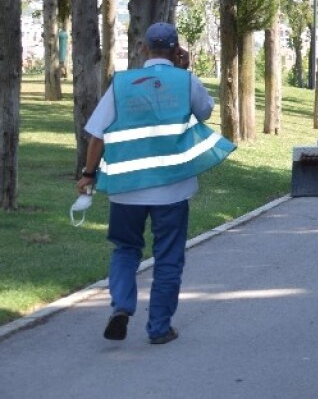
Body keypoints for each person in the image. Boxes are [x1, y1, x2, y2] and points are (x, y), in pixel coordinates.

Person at [75, 22, 233, 344]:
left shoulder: (121, 84)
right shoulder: (185, 79)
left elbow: (96, 136)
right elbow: (204, 112)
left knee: (125, 249)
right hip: (172, 189)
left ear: (143, 48)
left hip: (126, 190)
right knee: (169, 257)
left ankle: (121, 305)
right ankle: (159, 328)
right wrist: (184, 71)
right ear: (176, 50)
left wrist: (89, 174)